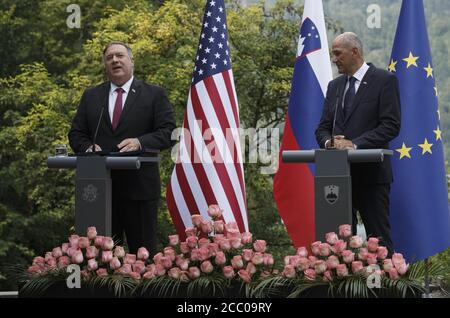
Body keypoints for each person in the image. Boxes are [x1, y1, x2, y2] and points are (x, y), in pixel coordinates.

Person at [68, 41, 176, 255]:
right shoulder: (92, 96)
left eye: (120, 55)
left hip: (140, 190)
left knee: (143, 258)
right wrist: (87, 146)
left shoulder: (154, 94)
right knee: (101, 261)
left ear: (131, 61)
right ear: (105, 65)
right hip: (99, 193)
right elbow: (76, 133)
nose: (115, 60)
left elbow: (169, 132)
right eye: (109, 58)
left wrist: (140, 142)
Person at [315, 32, 401, 253]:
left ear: (354, 51)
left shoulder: (384, 80)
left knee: (378, 241)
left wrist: (354, 144)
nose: (334, 59)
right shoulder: (334, 87)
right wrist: (329, 143)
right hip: (336, 178)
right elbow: (323, 128)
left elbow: (391, 126)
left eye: (337, 53)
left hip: (371, 176)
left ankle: (385, 286)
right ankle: (345, 287)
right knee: (339, 245)